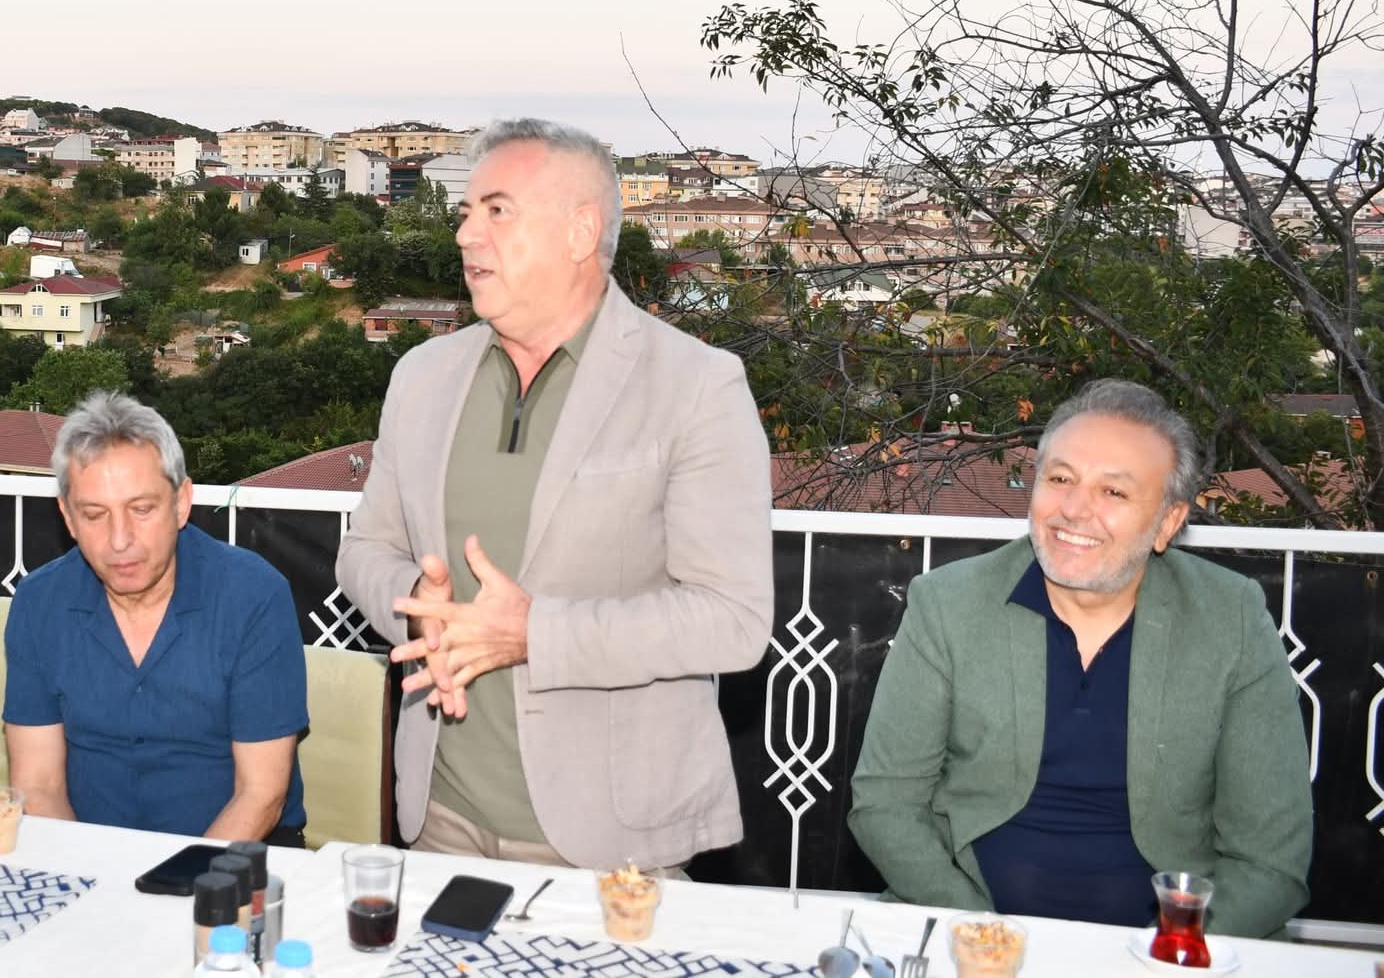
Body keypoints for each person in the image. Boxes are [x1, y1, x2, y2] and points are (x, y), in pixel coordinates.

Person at [334, 117, 773, 872]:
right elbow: (364, 550)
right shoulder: (422, 377)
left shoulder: (697, 386)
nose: (466, 235)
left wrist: (536, 633)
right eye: (466, 212)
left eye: (497, 211)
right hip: (440, 819)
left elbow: (733, 620)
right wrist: (416, 605)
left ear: (580, 232)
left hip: (610, 841)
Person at [849, 379, 1312, 937]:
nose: (1073, 510)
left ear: (1168, 523)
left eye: (1113, 492)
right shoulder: (949, 604)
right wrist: (981, 936)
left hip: (1162, 953)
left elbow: (1269, 859)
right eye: (1060, 479)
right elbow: (886, 803)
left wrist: (1173, 951)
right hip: (969, 932)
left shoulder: (1228, 618)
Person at [2, 390, 308, 844]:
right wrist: (91, 878)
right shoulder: (38, 603)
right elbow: (38, 785)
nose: (119, 539)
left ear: (181, 502)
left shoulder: (253, 597)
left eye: (141, 509)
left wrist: (180, 882)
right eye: (94, 515)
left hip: (237, 856)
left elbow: (261, 796)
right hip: (90, 854)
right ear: (68, 517)